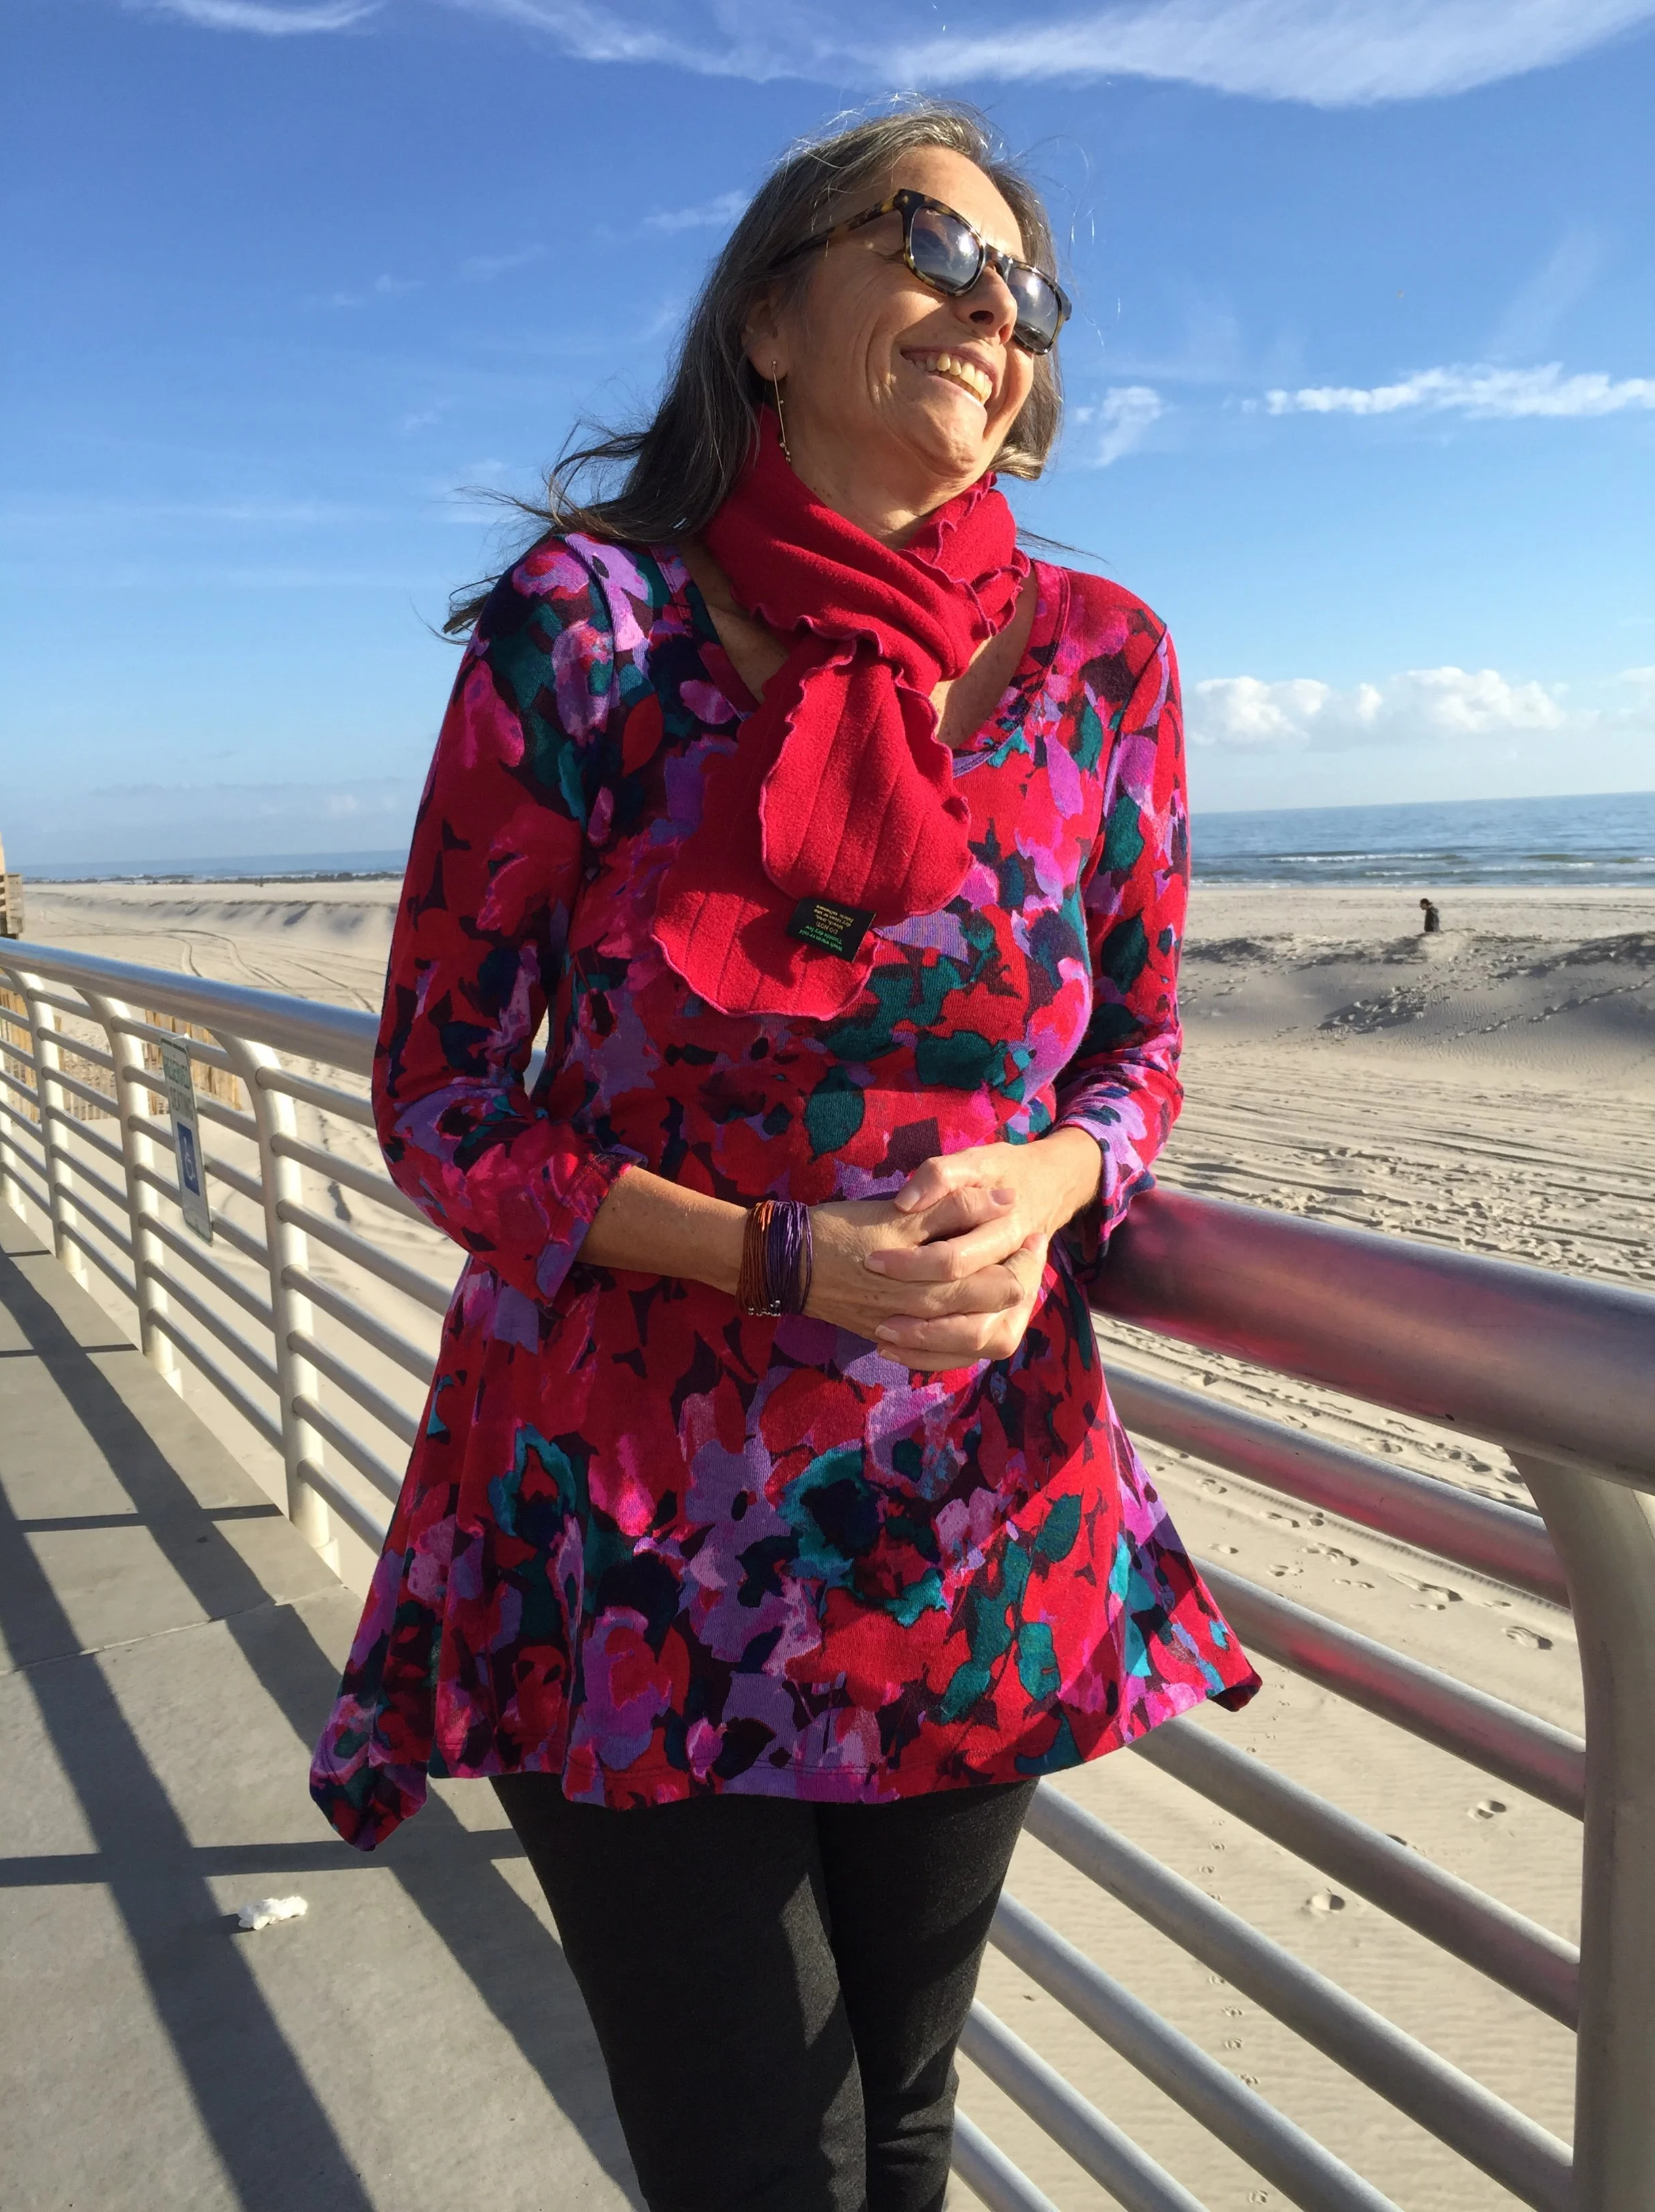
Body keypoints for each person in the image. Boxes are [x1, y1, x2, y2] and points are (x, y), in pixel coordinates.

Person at [310, 101, 1258, 2212]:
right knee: (754, 2162)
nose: (988, 312)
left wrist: (1062, 1176)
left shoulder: (1106, 661)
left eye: (1027, 292)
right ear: (765, 317)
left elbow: (1142, 1042)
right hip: (630, 1507)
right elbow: (443, 1106)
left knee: (895, 2124)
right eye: (934, 243)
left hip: (961, 1506)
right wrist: (779, 1261)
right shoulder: (591, 630)